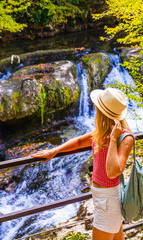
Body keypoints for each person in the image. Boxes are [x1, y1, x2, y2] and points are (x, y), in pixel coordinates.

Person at [31, 88, 134, 240]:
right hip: (101, 198)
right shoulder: (102, 131)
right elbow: (79, 141)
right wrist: (54, 151)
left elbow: (113, 172)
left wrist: (113, 140)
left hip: (109, 200)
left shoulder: (125, 138)